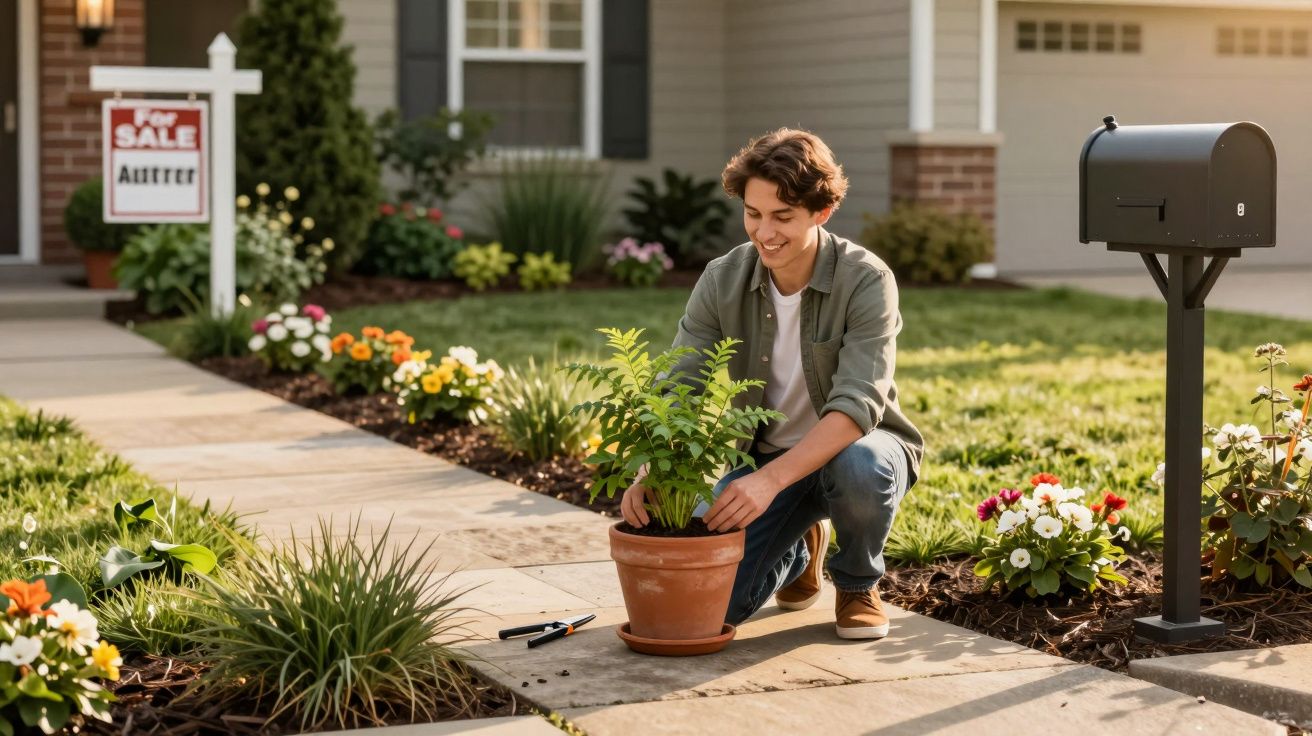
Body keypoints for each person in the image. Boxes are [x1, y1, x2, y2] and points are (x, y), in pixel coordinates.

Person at [618, 128, 924, 640]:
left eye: (783, 216)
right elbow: (682, 384)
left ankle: (856, 583)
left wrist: (769, 483)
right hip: (761, 458)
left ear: (821, 212)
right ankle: (801, 550)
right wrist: (656, 467)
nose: (765, 233)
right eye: (753, 214)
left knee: (860, 466)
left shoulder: (867, 279)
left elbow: (857, 405)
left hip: (859, 450)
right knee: (707, 607)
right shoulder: (722, 278)